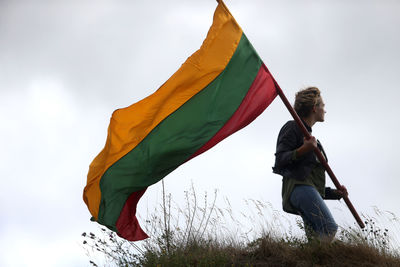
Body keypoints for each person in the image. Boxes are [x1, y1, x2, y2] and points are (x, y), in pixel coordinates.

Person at [272, 87, 348, 242]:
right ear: (314, 108)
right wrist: (302, 150)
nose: (325, 110)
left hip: (305, 188)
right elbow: (280, 160)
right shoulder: (292, 127)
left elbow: (312, 183)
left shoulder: (315, 142)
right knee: (329, 228)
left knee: (315, 240)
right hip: (297, 188)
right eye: (323, 106)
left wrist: (335, 194)